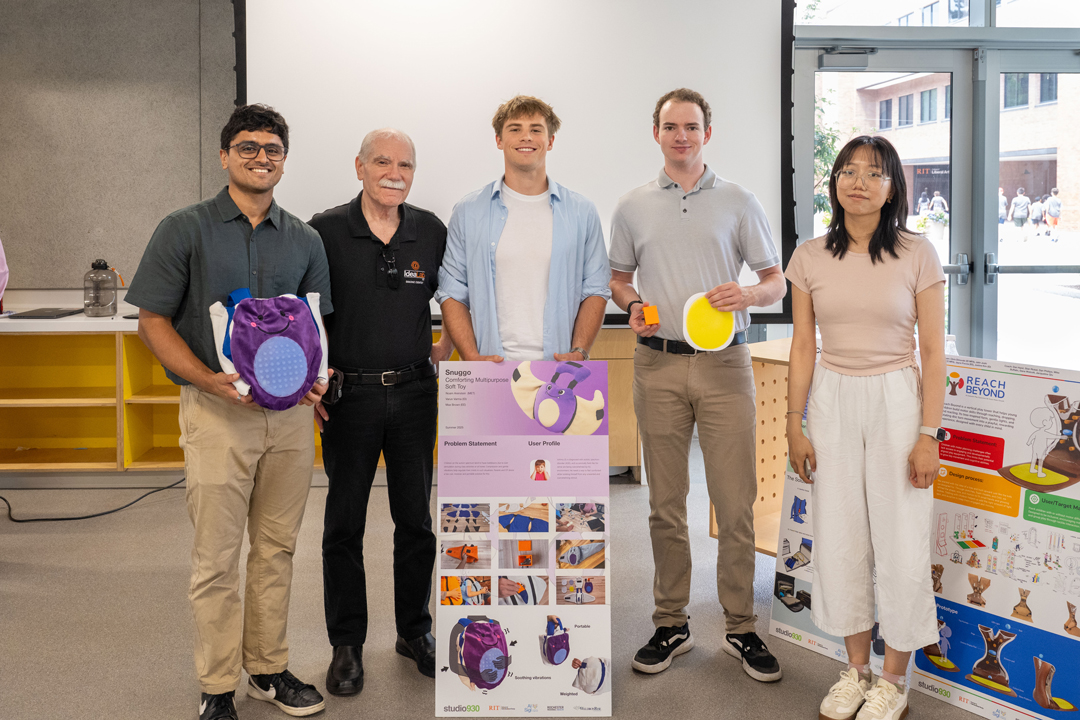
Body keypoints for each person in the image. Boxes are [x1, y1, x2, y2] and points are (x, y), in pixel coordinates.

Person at [126, 104, 331, 720]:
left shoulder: (305, 238)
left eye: (273, 149)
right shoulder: (183, 228)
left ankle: (267, 669)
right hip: (217, 414)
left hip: (290, 421)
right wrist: (208, 382)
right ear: (224, 156)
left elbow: (316, 326)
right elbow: (152, 321)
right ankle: (216, 685)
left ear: (284, 161)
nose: (261, 158)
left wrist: (320, 379)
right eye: (248, 147)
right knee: (216, 559)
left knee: (276, 549)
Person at [608, 88, 786, 681]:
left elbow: (776, 281)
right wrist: (631, 304)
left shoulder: (739, 201)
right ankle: (671, 622)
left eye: (691, 126)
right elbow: (619, 278)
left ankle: (740, 626)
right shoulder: (632, 206)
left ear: (707, 133)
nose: (680, 135)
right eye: (670, 126)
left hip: (724, 365)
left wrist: (749, 292)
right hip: (655, 364)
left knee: (734, 502)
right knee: (664, 504)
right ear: (656, 132)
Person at [785, 135, 946, 720]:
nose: (858, 182)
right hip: (831, 397)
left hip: (896, 399)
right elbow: (803, 344)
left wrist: (929, 434)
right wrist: (795, 423)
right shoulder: (809, 257)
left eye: (873, 173)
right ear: (834, 183)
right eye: (848, 171)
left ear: (892, 187)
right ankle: (856, 672)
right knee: (839, 534)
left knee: (901, 539)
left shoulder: (917, 252)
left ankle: (893, 681)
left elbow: (933, 350)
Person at [308, 128, 451, 695]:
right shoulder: (324, 231)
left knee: (415, 521)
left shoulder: (430, 231)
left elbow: (457, 298)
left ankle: (414, 631)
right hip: (349, 398)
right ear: (360, 167)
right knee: (343, 525)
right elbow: (303, 313)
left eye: (405, 165)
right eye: (383, 162)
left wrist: (445, 347)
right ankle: (346, 644)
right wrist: (312, 380)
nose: (395, 173)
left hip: (416, 394)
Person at [436, 95, 610, 362]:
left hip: (558, 370)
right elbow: (452, 291)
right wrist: (471, 356)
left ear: (550, 141)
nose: (526, 137)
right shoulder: (468, 211)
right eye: (515, 129)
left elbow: (595, 289)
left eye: (536, 130)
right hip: (489, 370)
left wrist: (579, 351)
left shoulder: (582, 212)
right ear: (499, 140)